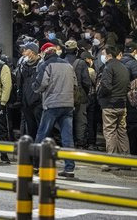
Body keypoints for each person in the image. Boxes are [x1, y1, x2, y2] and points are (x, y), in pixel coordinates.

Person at [33, 42, 76, 178]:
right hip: (68, 104)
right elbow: (75, 84)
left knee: (42, 135)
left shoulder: (46, 65)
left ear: (45, 52)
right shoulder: (68, 65)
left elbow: (41, 84)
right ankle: (69, 168)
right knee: (67, 138)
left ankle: (35, 165)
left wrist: (35, 88)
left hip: (52, 104)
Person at [97, 45, 130, 169]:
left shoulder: (108, 67)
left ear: (109, 55)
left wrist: (100, 95)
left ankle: (112, 160)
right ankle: (126, 161)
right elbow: (128, 86)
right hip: (122, 104)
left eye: (104, 53)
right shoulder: (124, 67)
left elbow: (106, 86)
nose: (103, 56)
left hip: (110, 105)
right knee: (122, 131)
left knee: (110, 131)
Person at [63, 40, 90, 149]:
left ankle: (69, 142)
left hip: (65, 95)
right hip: (79, 95)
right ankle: (80, 143)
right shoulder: (81, 63)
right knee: (80, 120)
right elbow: (86, 82)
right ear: (76, 50)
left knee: (67, 120)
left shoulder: (61, 62)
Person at [15, 42, 43, 140]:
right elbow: (21, 83)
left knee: (40, 128)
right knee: (30, 129)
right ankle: (31, 152)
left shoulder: (41, 65)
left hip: (37, 103)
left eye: (26, 50)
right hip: (26, 102)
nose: (24, 52)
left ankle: (40, 152)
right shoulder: (24, 65)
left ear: (32, 52)